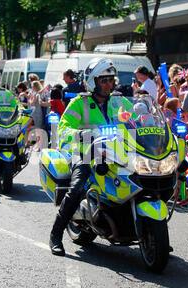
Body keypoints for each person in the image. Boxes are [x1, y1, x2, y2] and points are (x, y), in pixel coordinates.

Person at [49, 57, 134, 256]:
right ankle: (56, 235)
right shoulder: (80, 103)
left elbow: (139, 118)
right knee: (77, 187)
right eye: (103, 80)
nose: (108, 84)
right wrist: (81, 134)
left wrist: (146, 117)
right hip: (86, 152)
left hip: (119, 151)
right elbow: (63, 129)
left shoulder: (119, 101)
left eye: (111, 80)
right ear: (93, 82)